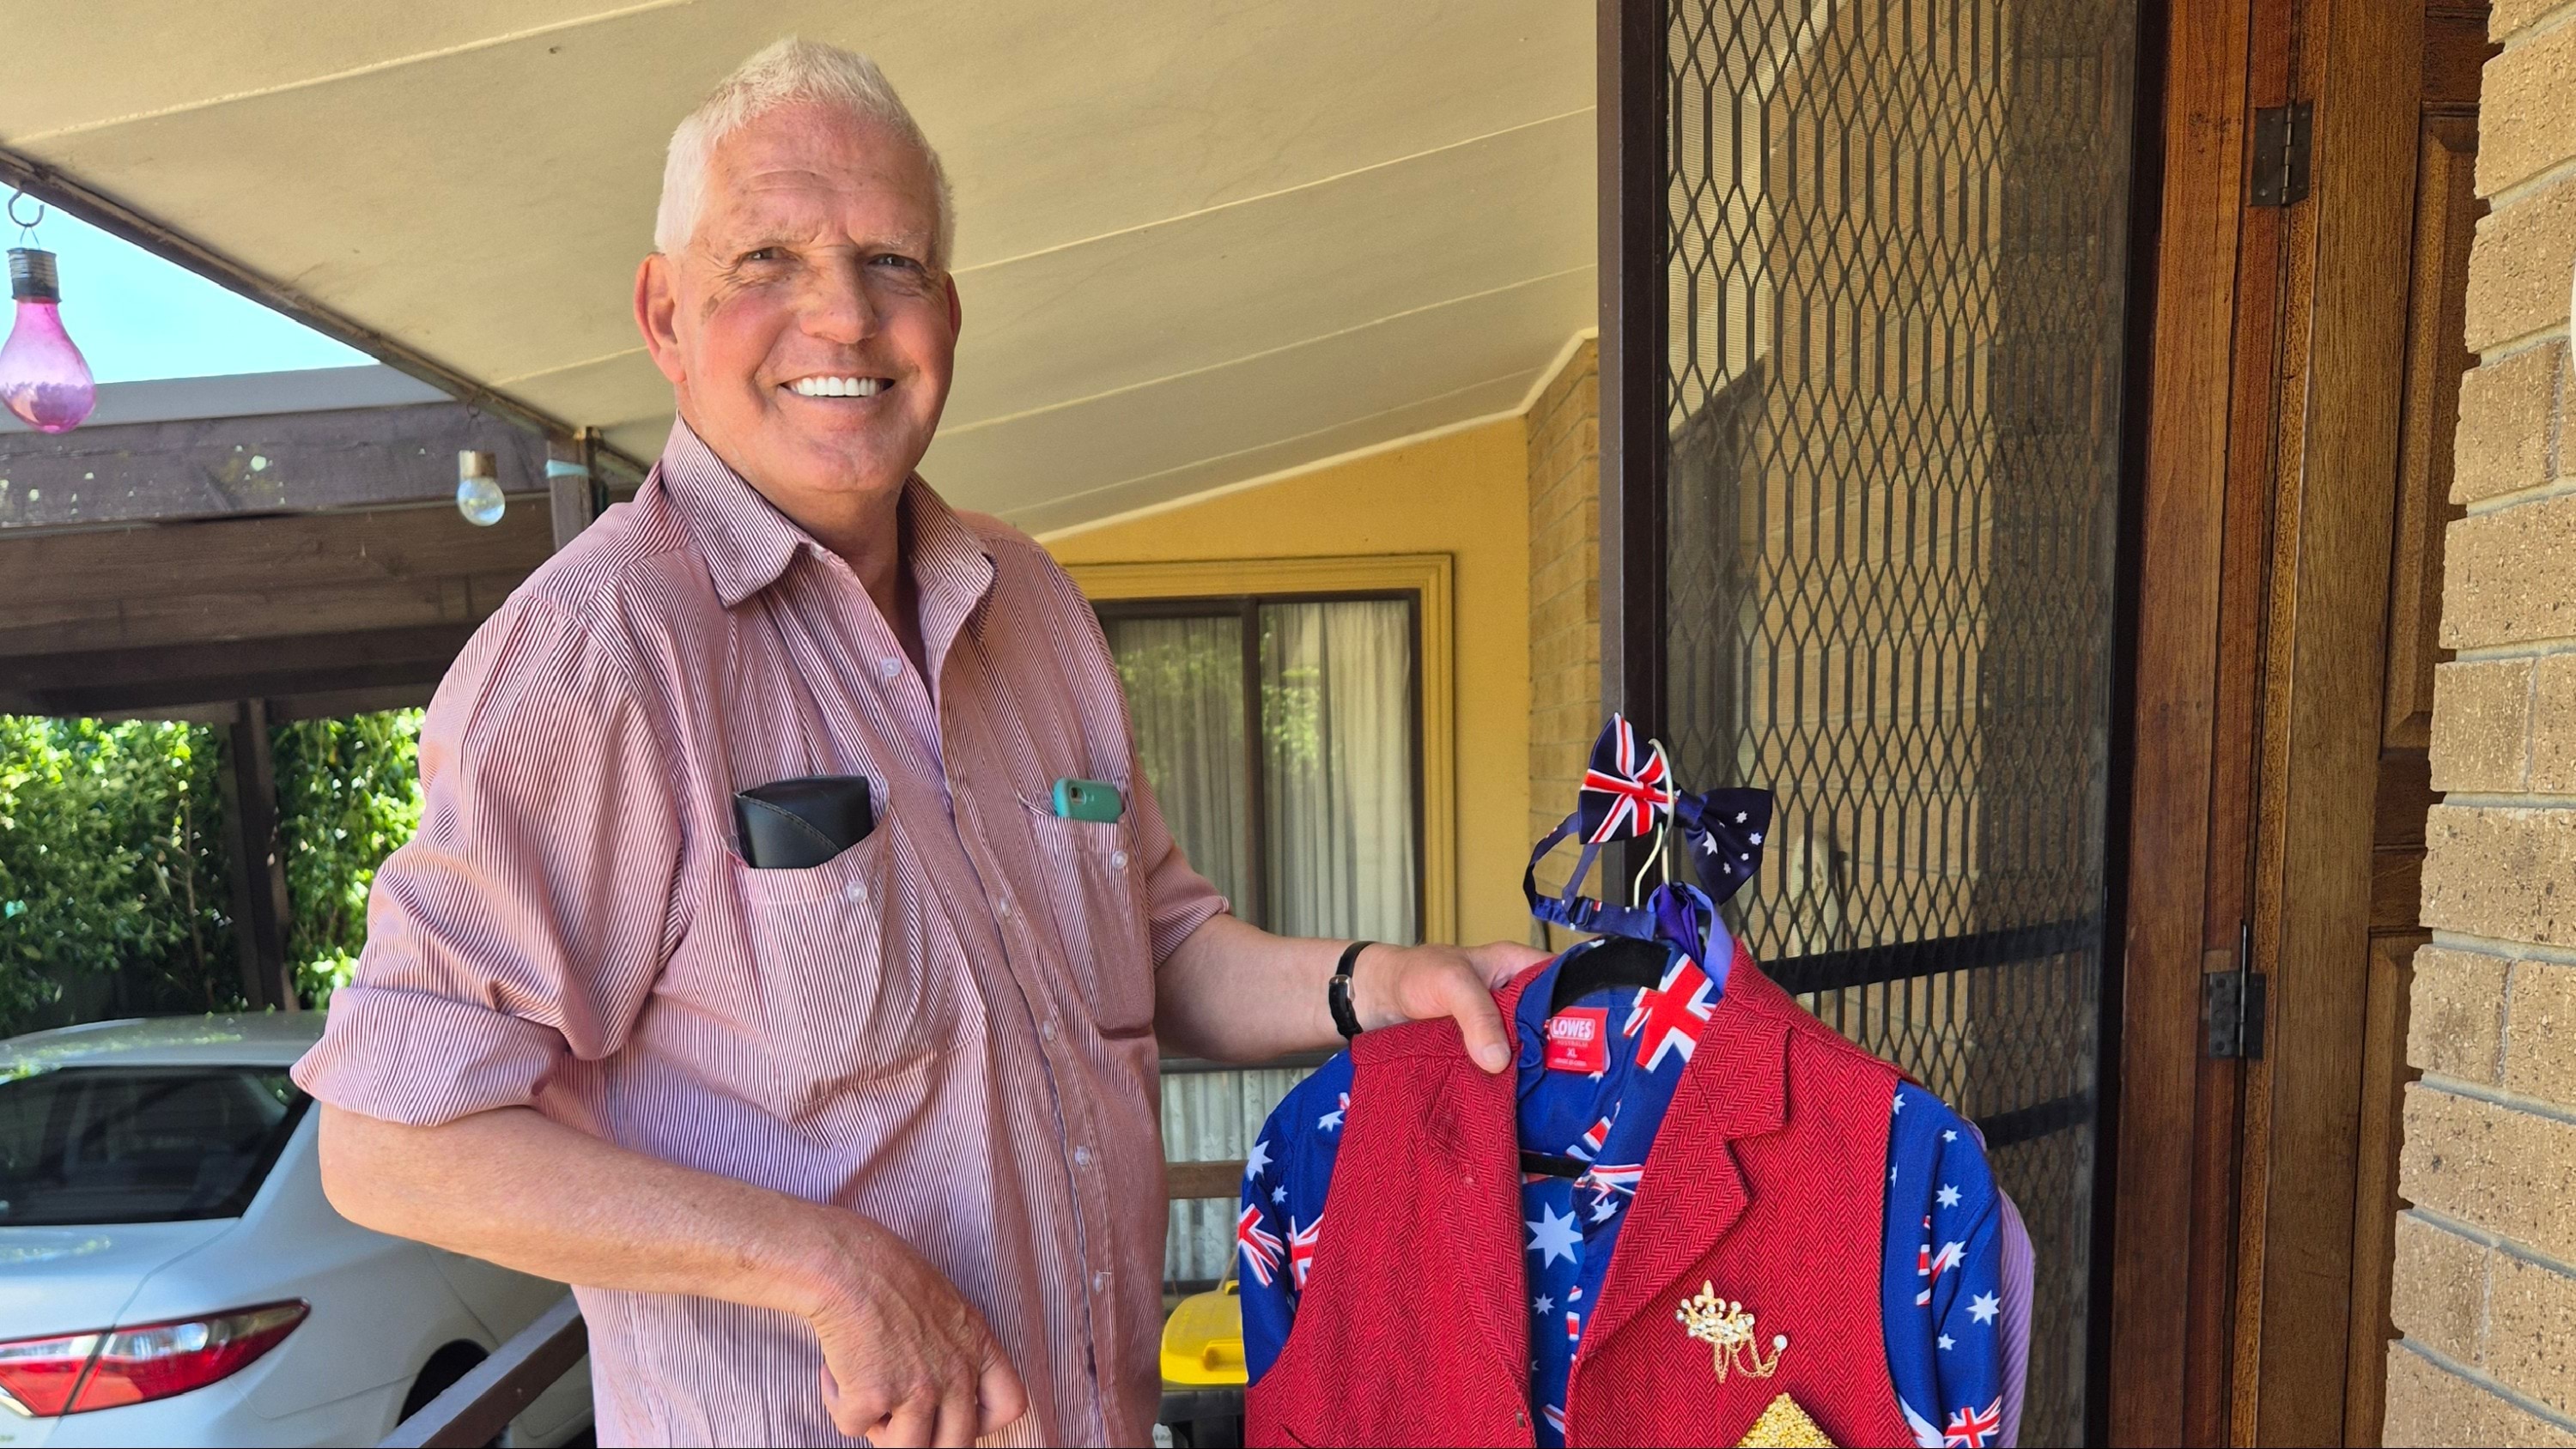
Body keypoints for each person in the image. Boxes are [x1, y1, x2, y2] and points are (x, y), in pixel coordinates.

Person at [293, 37, 1545, 1449]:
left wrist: (1383, 979)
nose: (841, 317)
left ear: (946, 310)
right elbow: (391, 1142)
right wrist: (829, 1270)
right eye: (765, 257)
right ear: (662, 314)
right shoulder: (601, 654)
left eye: (892, 262)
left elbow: (1163, 945)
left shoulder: (1031, 606)